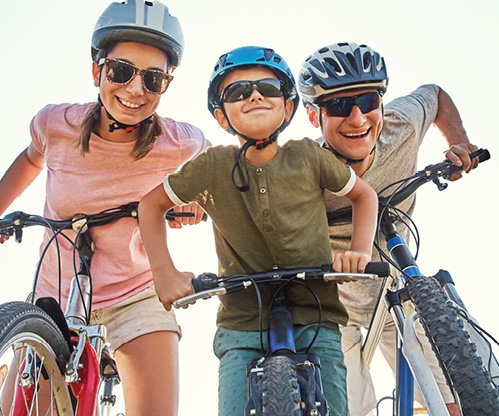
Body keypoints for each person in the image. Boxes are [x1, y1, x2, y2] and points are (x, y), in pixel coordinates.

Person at [138, 45, 379, 416]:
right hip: (242, 320)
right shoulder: (212, 165)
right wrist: (164, 273)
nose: (254, 95)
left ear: (288, 107)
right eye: (238, 92)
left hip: (316, 313)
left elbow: (364, 195)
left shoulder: (308, 156)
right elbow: (150, 205)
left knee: (334, 403)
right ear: (221, 116)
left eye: (268, 88)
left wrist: (360, 250)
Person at [0, 1, 209, 415]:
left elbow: (218, 182)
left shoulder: (180, 143)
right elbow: (29, 160)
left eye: (153, 79)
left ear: (166, 84)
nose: (135, 90)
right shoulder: (55, 125)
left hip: (135, 295)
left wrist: (195, 205)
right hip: (55, 296)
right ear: (97, 70)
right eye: (120, 71)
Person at [298, 42, 480, 416]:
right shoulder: (303, 169)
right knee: (345, 406)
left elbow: (435, 95)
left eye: (367, 101)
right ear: (314, 116)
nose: (357, 118)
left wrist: (458, 141)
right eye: (337, 106)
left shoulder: (400, 125)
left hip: (397, 287)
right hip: (333, 305)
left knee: (457, 402)